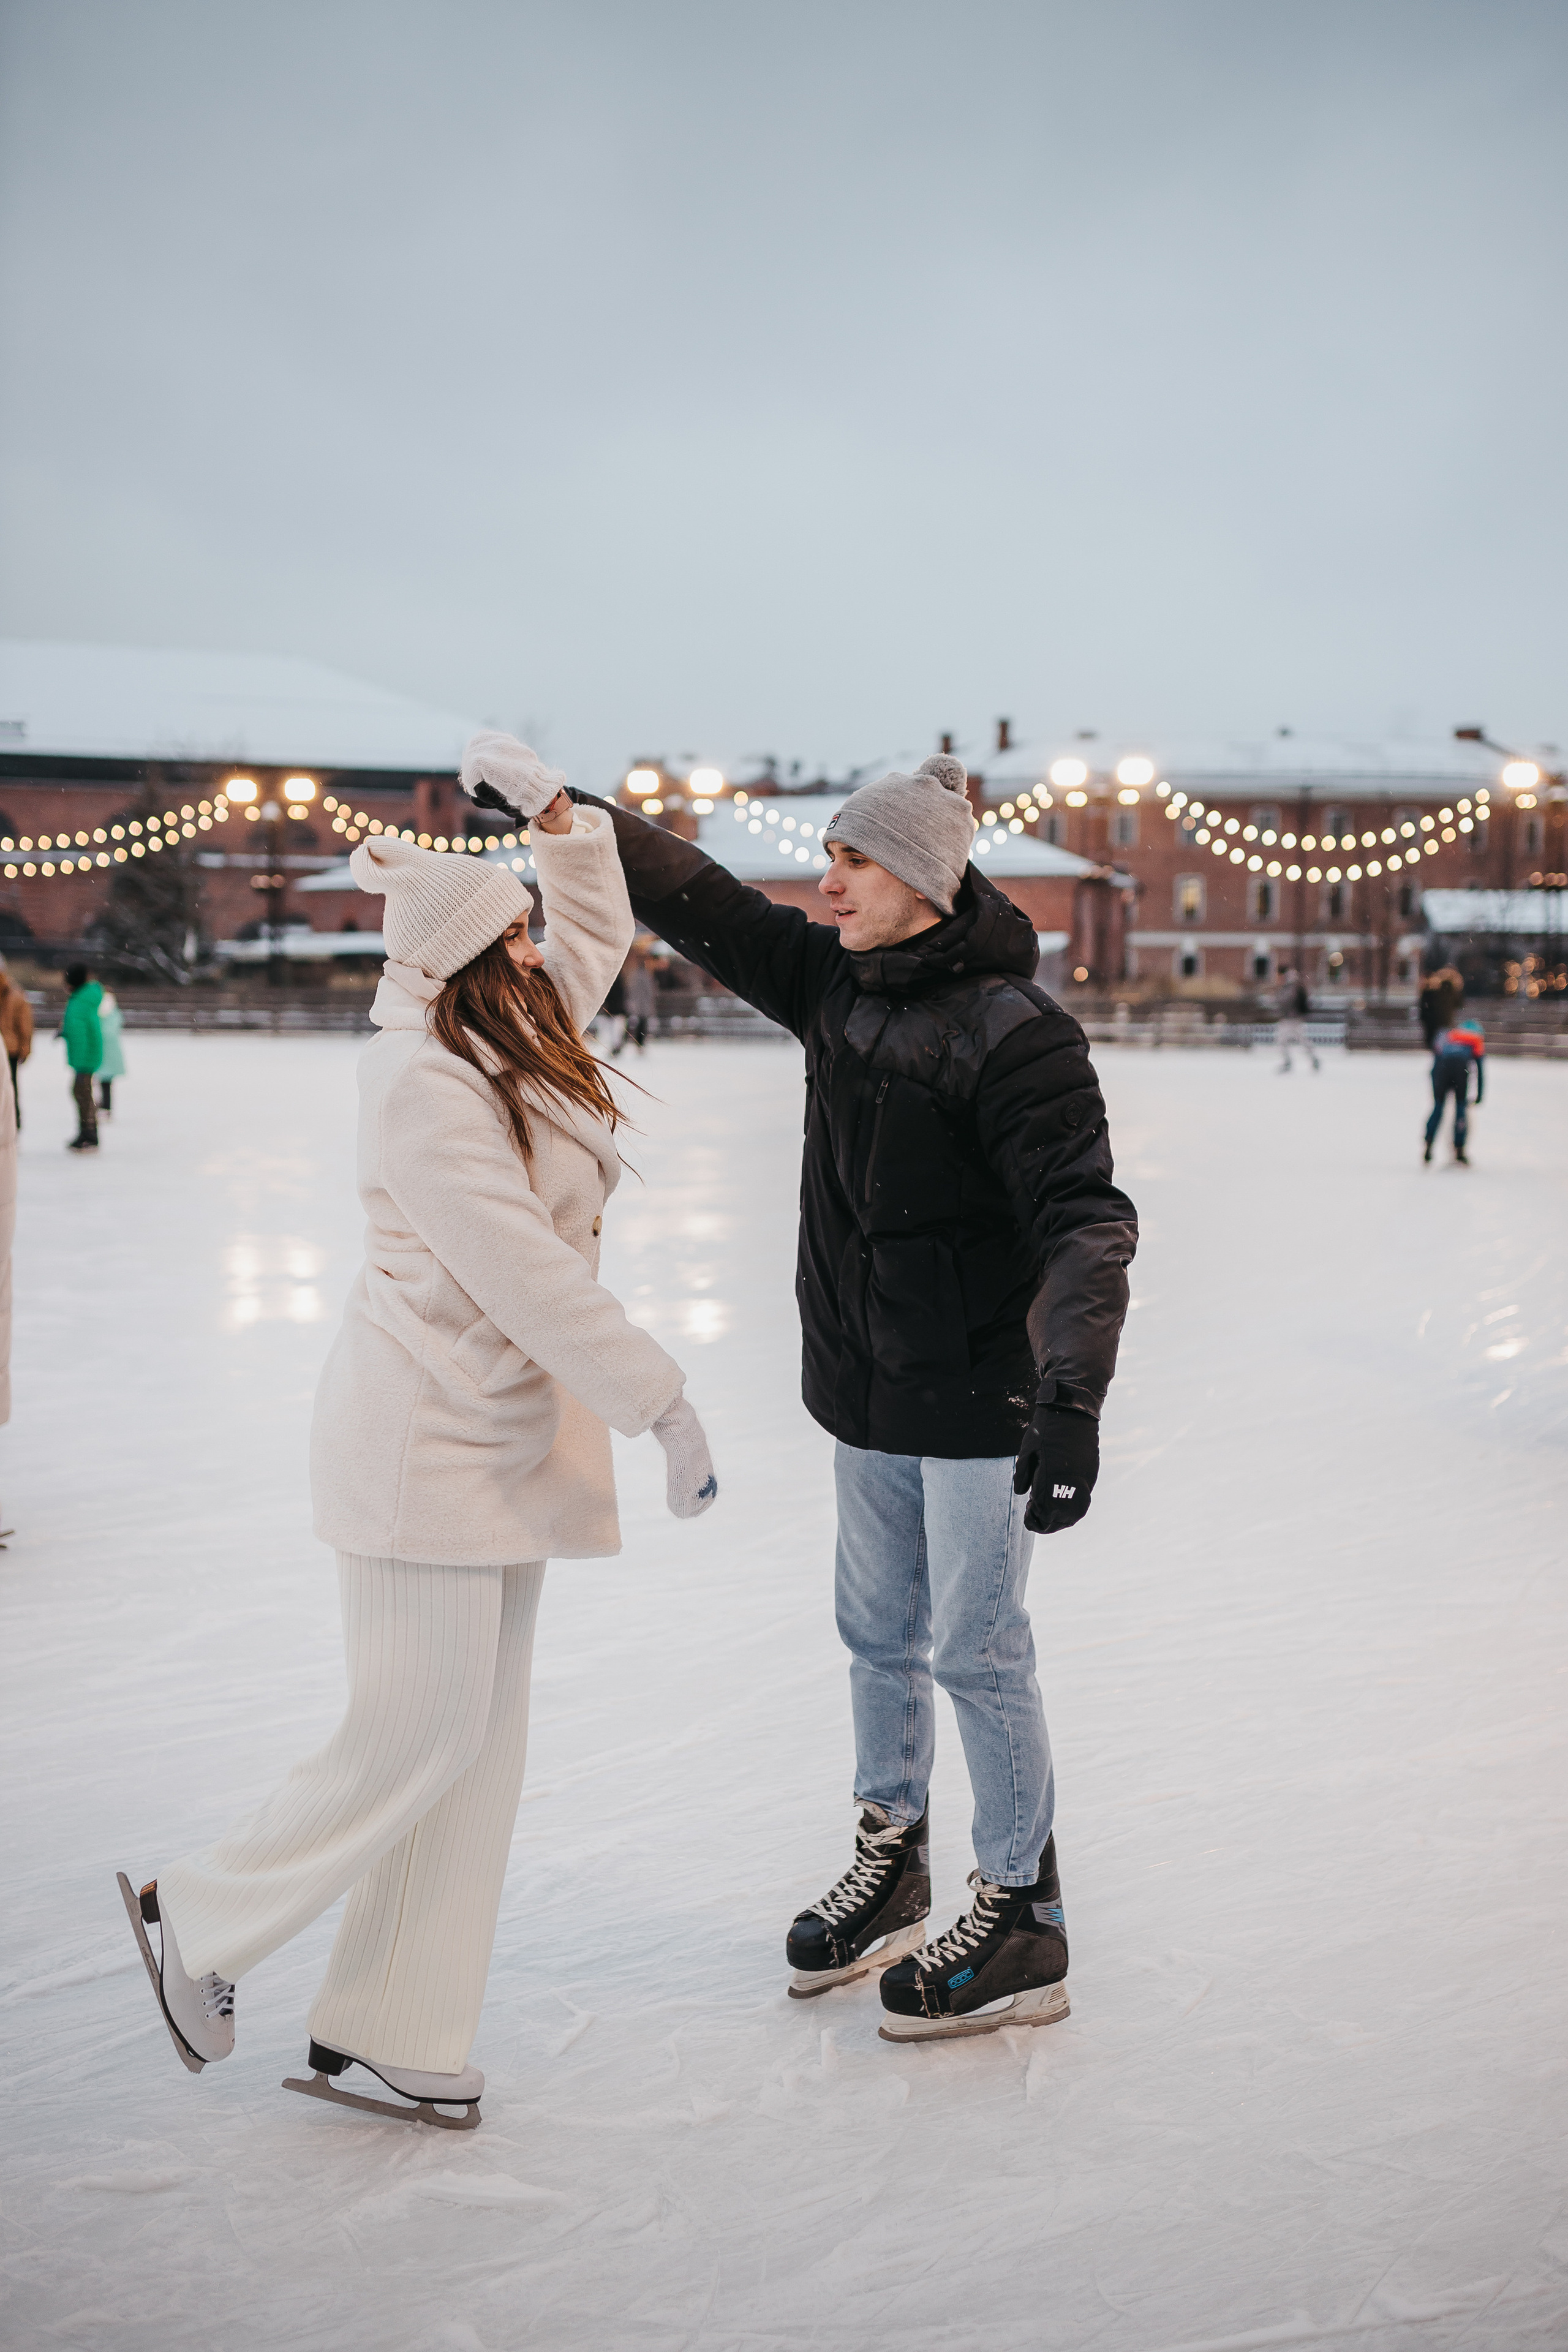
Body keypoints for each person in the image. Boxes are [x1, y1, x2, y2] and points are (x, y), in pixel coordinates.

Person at [118, 733, 718, 2130]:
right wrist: (662, 1399)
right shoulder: (422, 1082)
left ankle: (392, 2015)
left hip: (499, 1448)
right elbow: (523, 1270)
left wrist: (564, 824)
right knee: (416, 1724)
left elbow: (600, 925)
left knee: (475, 1747)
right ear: (463, 958)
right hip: (421, 1451)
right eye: (513, 928)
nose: (537, 944)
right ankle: (194, 1914)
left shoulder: (502, 1027)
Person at [584, 753, 1137, 2043]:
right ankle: (893, 1860)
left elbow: (1083, 1221)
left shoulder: (1017, 1034)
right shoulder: (835, 982)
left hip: (975, 1401)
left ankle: (1021, 1911)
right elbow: (704, 898)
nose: (824, 882)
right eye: (828, 857)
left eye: (851, 862)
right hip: (862, 1389)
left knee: (978, 1653)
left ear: (923, 883)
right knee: (875, 1640)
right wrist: (574, 814)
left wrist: (1069, 1395)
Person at [1425, 1012, 1485, 1164]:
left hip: (1441, 1071)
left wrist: (1435, 1089)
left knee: (1438, 1108)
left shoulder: (1446, 1035)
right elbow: (1480, 1070)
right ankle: (1460, 1149)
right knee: (1460, 1109)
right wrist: (1479, 1094)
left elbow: (1435, 1064)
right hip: (1460, 1072)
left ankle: (1429, 1143)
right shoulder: (1475, 1040)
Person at [59, 963, 102, 1152]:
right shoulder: (81, 998)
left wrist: (83, 1059)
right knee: (81, 1092)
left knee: (82, 1092)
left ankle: (89, 1133)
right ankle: (87, 1131)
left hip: (85, 1057)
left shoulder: (82, 1000)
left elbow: (85, 1031)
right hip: (84, 1055)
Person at [0, 955, 33, 1131]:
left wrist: (25, 1047)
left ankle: (13, 1121)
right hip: (9, 1047)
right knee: (10, 1088)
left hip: (9, 1049)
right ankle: (13, 1121)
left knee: (9, 1088)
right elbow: (25, 1024)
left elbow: (24, 1024)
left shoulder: (13, 994)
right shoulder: (14, 993)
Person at [1275, 970, 1317, 1072]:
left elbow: (1285, 1002)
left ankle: (1289, 1061)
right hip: (1293, 1019)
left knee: (1283, 1040)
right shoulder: (1297, 988)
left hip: (1291, 1019)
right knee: (1301, 1040)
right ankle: (1313, 1059)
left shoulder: (1291, 989)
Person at [96, 986, 126, 1114]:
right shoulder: (114, 1011)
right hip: (110, 1051)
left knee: (103, 1080)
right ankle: (106, 1104)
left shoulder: (99, 1012)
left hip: (102, 1049)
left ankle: (105, 1105)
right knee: (106, 1081)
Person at [1419, 965, 1464, 1049]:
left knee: (1435, 1041)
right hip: (1444, 1021)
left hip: (1434, 1020)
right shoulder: (1452, 993)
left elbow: (1425, 1004)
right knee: (1442, 1042)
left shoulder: (1433, 991)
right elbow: (1459, 1004)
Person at [622, 943, 656, 1052]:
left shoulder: (637, 975)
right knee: (639, 1024)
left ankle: (637, 1043)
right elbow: (648, 991)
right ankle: (637, 1043)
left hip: (640, 1004)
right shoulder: (644, 975)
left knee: (638, 1024)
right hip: (640, 1004)